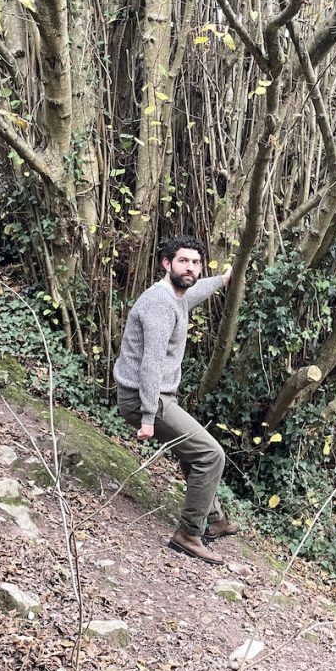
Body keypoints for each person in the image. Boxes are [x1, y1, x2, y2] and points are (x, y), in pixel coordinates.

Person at [114, 235, 239, 564]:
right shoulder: (159, 303)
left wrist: (224, 279)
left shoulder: (177, 296)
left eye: (196, 263)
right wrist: (147, 418)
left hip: (157, 397)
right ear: (166, 264)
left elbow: (194, 291)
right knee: (211, 454)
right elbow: (151, 363)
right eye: (184, 261)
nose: (191, 269)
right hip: (144, 398)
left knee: (192, 451)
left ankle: (213, 519)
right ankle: (189, 533)